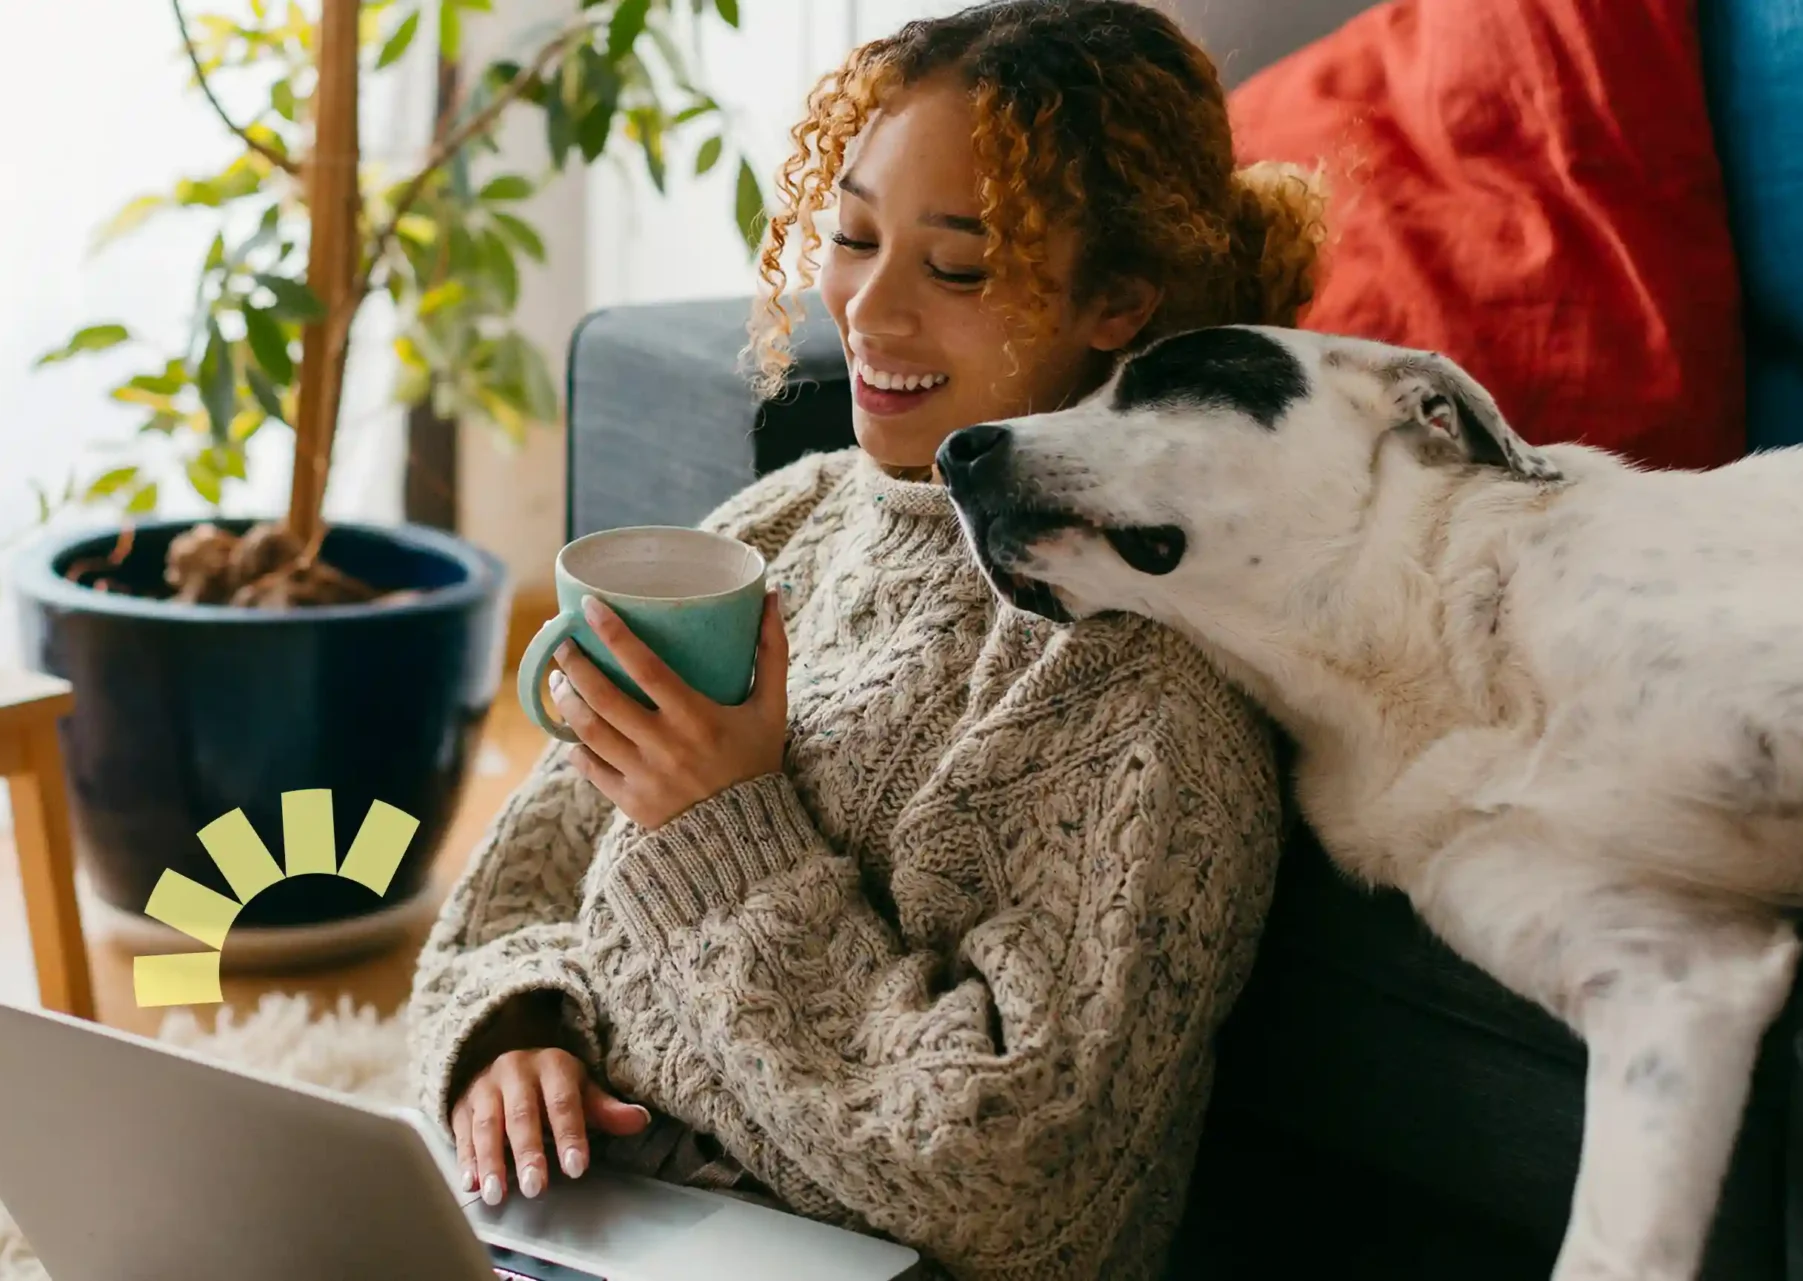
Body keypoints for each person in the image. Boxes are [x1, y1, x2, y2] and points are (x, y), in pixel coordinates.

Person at [405, 3, 1325, 1277]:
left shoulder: (1137, 662)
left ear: (1117, 299)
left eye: (957, 269)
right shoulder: (779, 524)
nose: (868, 311)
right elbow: (508, 907)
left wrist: (723, 829)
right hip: (592, 1225)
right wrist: (513, 1040)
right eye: (848, 238)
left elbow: (1013, 1178)